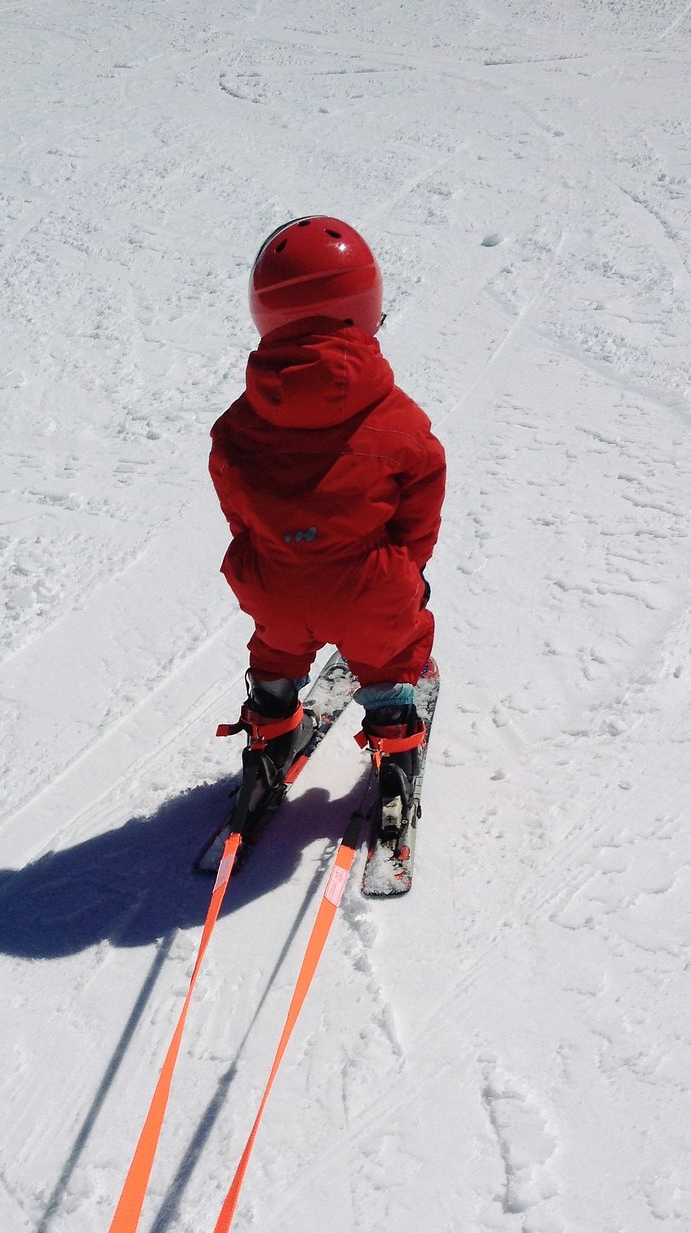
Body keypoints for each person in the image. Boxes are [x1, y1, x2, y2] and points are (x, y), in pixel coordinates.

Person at [209, 215, 445, 832]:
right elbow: (419, 512)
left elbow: (236, 504)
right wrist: (403, 573)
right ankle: (395, 749)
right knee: (392, 652)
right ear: (366, 309)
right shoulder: (397, 420)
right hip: (367, 588)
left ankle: (268, 734)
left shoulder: (237, 423)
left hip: (275, 586)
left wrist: (264, 552)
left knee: (276, 648)